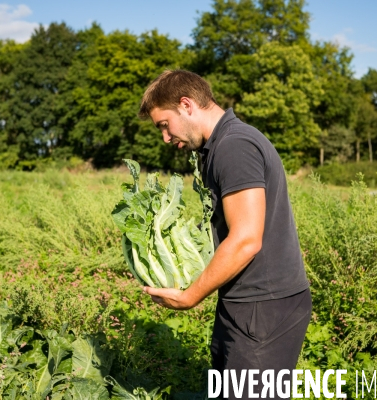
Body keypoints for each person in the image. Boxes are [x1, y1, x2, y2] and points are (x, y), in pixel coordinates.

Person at [138, 69, 311, 399]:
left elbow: (246, 238)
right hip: (247, 303)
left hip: (264, 307)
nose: (164, 137)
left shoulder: (234, 146)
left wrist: (190, 296)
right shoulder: (218, 146)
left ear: (186, 105)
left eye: (163, 124)